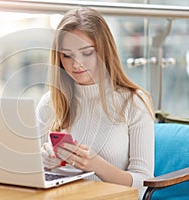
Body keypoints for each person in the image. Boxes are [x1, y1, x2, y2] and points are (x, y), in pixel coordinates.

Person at [36, 7, 155, 199]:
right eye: (67, 55)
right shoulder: (50, 103)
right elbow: (32, 174)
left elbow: (143, 184)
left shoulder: (133, 102)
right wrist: (44, 161)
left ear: (104, 51)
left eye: (87, 53)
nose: (76, 64)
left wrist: (95, 165)